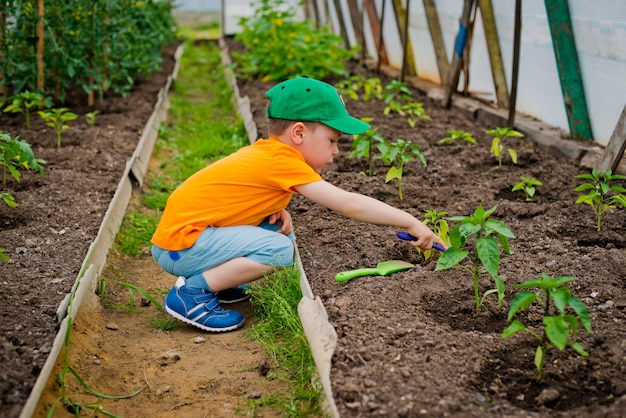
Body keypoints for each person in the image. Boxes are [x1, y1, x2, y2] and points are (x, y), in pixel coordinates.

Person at [151, 76, 445, 333]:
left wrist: (269, 206)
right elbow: (347, 203)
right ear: (299, 133)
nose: (336, 151)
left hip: (182, 237)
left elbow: (234, 196)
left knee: (272, 228)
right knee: (280, 249)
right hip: (180, 246)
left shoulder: (270, 155)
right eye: (332, 140)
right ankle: (191, 294)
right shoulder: (283, 162)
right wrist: (409, 221)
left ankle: (219, 283)